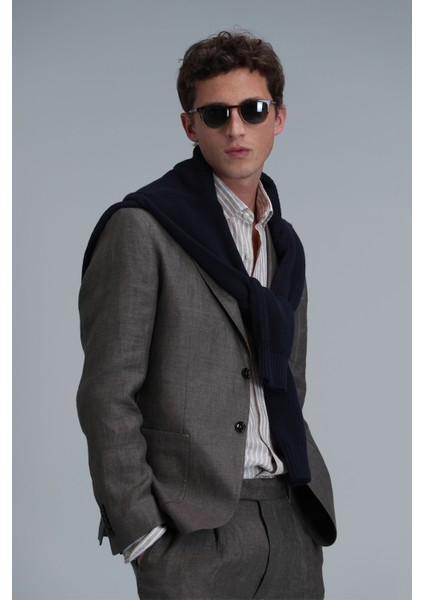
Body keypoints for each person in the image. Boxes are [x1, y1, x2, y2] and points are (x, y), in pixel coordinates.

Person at [77, 30, 337, 600]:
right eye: (216, 114)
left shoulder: (285, 246)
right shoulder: (141, 229)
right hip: (191, 531)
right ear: (190, 126)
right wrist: (143, 534)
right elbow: (106, 393)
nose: (236, 128)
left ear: (279, 118)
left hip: (291, 521)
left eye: (253, 110)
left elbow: (289, 382)